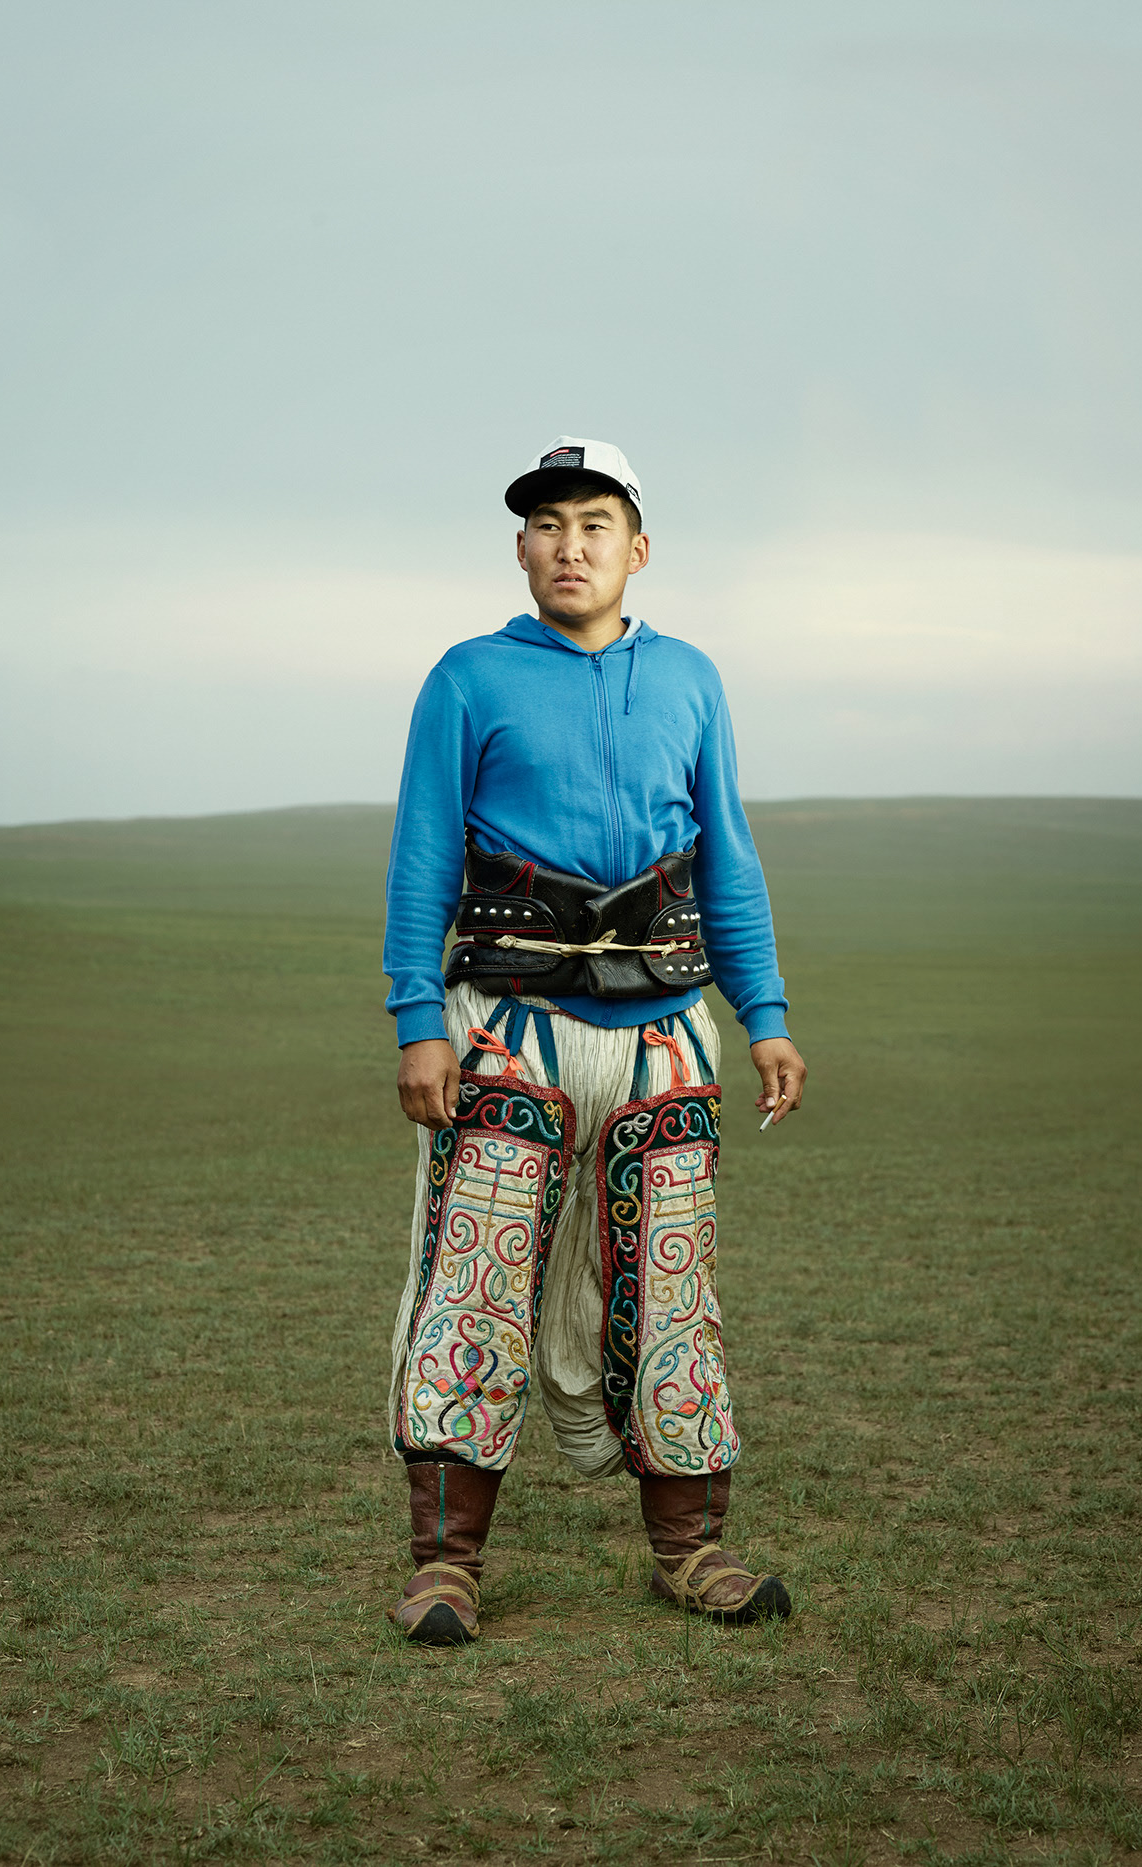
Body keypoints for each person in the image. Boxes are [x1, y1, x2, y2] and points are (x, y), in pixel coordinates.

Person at [382, 436, 806, 1645]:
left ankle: (690, 1550)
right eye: (547, 525)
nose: (569, 546)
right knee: (474, 1283)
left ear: (637, 548)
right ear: (519, 547)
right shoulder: (465, 678)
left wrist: (762, 1015)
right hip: (508, 1024)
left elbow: (726, 856)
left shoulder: (689, 679)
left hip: (667, 1028)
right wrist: (420, 1023)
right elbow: (421, 861)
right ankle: (445, 1565)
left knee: (670, 1287)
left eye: (593, 523)